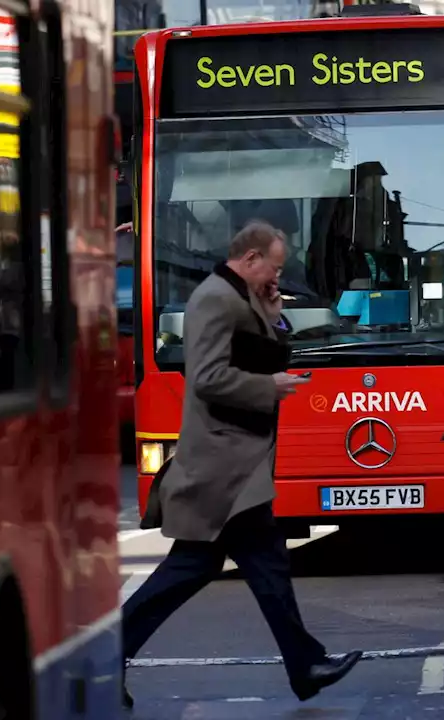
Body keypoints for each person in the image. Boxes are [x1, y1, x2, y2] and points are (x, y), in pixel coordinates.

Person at [122, 222, 362, 707]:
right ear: (249, 258)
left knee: (210, 566)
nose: (277, 276)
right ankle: (305, 665)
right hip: (222, 467)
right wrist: (266, 388)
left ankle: (305, 665)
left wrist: (274, 313)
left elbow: (262, 353)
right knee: (240, 564)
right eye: (273, 267)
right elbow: (208, 377)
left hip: (236, 465)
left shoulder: (241, 297)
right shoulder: (215, 299)